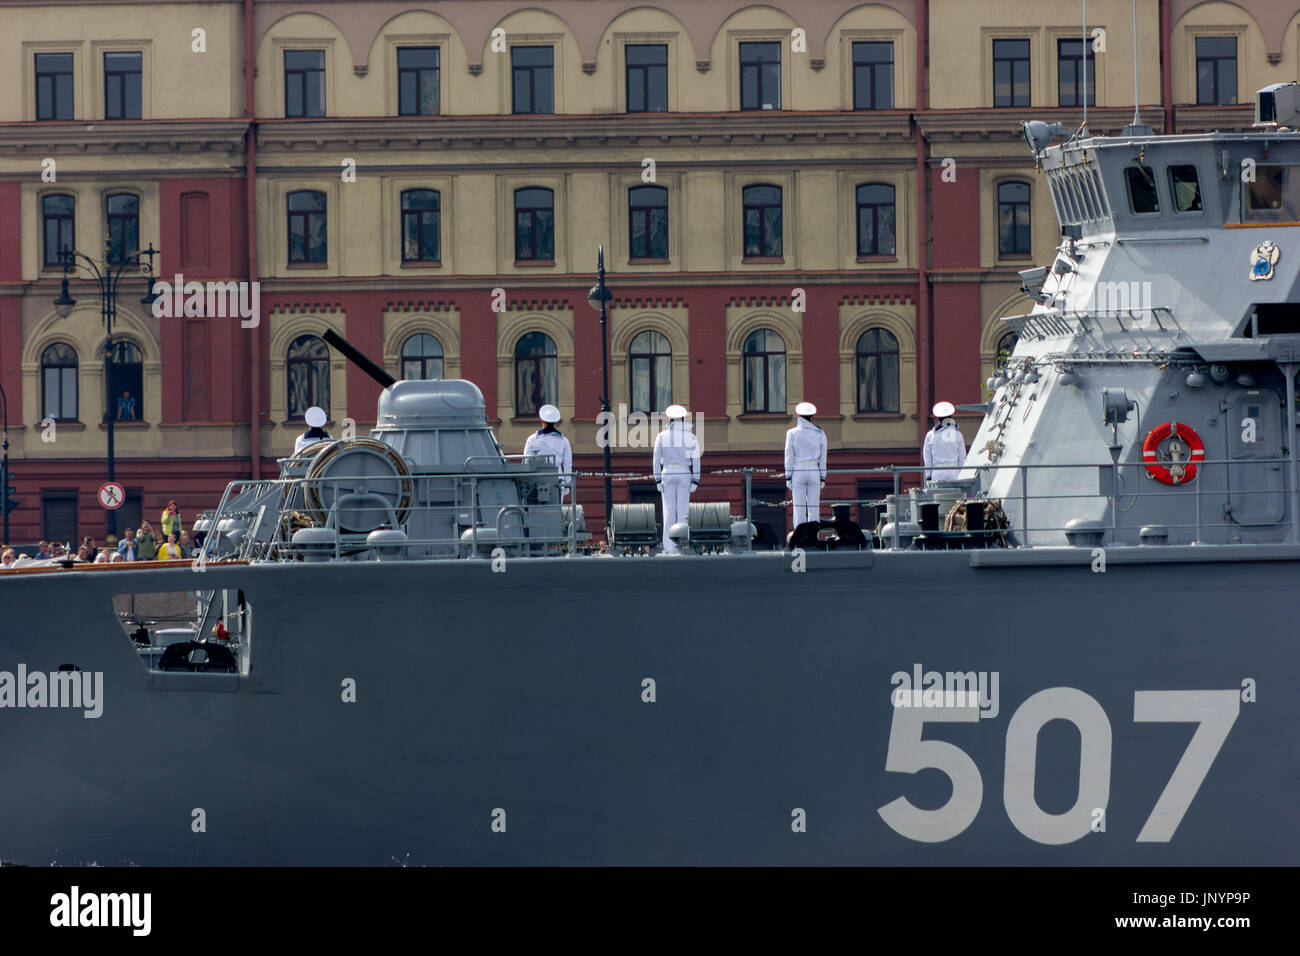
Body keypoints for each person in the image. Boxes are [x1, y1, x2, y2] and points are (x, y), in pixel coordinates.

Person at [652, 404, 700, 553]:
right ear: (683, 419)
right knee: (683, 511)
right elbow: (696, 460)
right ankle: (683, 545)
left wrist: (657, 479)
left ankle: (669, 546)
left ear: (670, 418)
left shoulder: (661, 436)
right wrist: (696, 480)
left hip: (667, 473)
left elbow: (655, 460)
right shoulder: (691, 437)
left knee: (668, 511)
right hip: (685, 473)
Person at [784, 401, 827, 527]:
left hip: (798, 470)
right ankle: (813, 535)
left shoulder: (791, 433)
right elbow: (823, 457)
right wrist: (822, 476)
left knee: (799, 507)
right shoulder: (820, 433)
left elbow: (789, 456)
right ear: (812, 417)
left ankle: (799, 534)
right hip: (814, 470)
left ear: (798, 416)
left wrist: (788, 476)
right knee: (814, 507)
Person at [521, 404, 573, 499]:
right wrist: (567, 485)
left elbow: (525, 462)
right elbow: (567, 465)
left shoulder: (532, 439)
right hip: (557, 480)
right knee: (556, 509)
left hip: (536, 481)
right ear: (556, 422)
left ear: (542, 420)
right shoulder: (564, 441)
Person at [923, 401, 968, 482]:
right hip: (954, 473)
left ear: (938, 418)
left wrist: (928, 475)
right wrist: (961, 473)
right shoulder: (958, 435)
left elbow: (927, 459)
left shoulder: (930, 435)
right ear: (951, 417)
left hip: (937, 474)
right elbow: (962, 458)